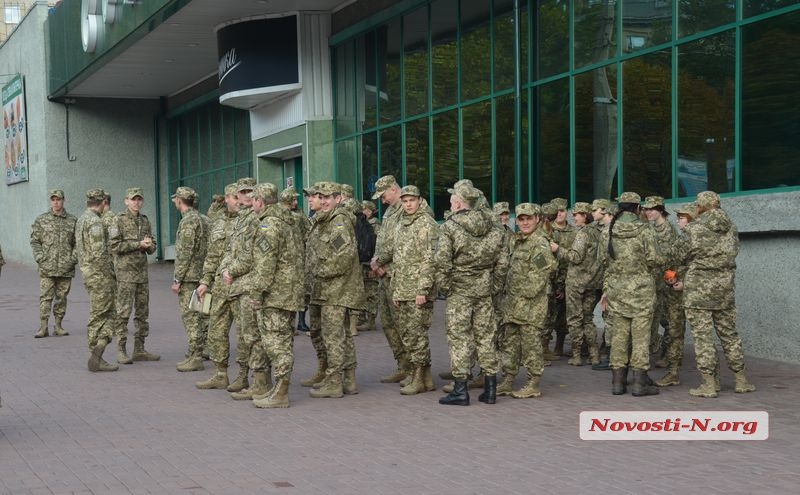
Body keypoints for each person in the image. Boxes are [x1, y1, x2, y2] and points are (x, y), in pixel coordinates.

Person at [676, 191, 756, 398]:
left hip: (698, 290)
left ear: (701, 207)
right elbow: (733, 251)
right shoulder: (731, 227)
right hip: (724, 288)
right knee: (729, 335)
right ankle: (741, 380)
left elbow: (681, 255)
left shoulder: (694, 228)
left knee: (703, 338)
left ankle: (709, 384)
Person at [435, 182, 508, 406]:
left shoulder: (450, 226)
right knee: (486, 338)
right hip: (484, 290)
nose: (450, 202)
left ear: (458, 202)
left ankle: (460, 390)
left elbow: (442, 261)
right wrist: (494, 286)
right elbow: (503, 263)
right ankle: (491, 389)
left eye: (452, 199)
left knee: (459, 338)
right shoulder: (495, 227)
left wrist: (446, 287)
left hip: (460, 290)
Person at [600, 192, 663, 396]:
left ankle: (617, 384)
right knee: (641, 338)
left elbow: (603, 261)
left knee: (618, 337)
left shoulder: (608, 230)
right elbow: (654, 259)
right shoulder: (646, 229)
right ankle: (638, 384)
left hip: (617, 290)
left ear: (619, 208)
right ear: (638, 208)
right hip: (642, 291)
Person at [307, 181, 366, 398]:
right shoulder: (324, 220)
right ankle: (349, 379)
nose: (322, 201)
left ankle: (334, 382)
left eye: (327, 197)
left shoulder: (338, 221)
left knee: (333, 336)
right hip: (329, 289)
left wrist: (319, 271)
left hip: (337, 290)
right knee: (342, 336)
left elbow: (344, 257)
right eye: (319, 197)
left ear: (338, 199)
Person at [249, 183, 305, 408]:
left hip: (276, 295)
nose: (252, 204)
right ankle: (278, 388)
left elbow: (265, 265)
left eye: (253, 200)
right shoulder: (288, 220)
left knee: (275, 342)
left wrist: (256, 292)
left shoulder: (269, 225)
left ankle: (281, 393)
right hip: (290, 292)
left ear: (260, 201)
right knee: (284, 340)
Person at [498, 203, 557, 398]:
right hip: (513, 304)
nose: (524, 222)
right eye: (521, 219)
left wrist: (520, 296)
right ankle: (508, 380)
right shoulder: (518, 240)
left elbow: (539, 277)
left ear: (537, 219)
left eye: (529, 219)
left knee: (531, 345)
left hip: (530, 306)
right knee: (510, 344)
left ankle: (533, 383)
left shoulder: (539, 243)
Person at [220, 178, 270, 399]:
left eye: (251, 191)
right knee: (244, 335)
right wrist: (224, 268)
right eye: (243, 192)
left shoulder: (256, 220)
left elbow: (250, 257)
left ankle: (260, 383)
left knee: (254, 336)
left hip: (250, 285)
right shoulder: (241, 219)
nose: (247, 195)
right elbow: (230, 250)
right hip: (238, 286)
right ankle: (245, 376)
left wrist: (231, 271)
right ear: (237, 195)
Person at [387, 185, 439, 395]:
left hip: (418, 289)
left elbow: (430, 260)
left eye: (411, 200)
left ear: (419, 200)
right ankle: (424, 377)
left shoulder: (427, 224)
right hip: (403, 288)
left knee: (417, 334)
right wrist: (395, 290)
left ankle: (419, 376)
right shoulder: (401, 224)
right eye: (405, 201)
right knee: (407, 334)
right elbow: (397, 260)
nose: (408, 204)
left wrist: (423, 289)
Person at [195, 183, 240, 389]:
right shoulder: (218, 222)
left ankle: (246, 375)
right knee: (216, 331)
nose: (239, 200)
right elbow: (211, 255)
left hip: (241, 287)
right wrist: (205, 281)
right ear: (227, 198)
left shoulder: (251, 221)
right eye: (235, 197)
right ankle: (221, 373)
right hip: (220, 287)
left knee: (245, 334)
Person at [109, 187, 159, 363]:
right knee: (123, 313)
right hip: (125, 275)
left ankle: (139, 349)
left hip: (142, 275)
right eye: (133, 199)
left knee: (142, 313)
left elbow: (153, 247)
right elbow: (115, 247)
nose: (137, 202)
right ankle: (121, 350)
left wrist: (150, 245)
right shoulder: (119, 220)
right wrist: (138, 244)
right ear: (126, 201)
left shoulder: (145, 221)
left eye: (139, 199)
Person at [550, 202, 603, 367]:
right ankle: (594, 355)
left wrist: (557, 249)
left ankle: (577, 355)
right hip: (592, 282)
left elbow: (575, 257)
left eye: (576, 215)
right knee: (588, 318)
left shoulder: (583, 234)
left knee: (574, 319)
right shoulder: (599, 232)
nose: (574, 217)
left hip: (576, 283)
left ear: (584, 216)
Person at [370, 175, 411, 384]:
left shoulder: (408, 207)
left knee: (404, 324)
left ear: (394, 189)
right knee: (388, 323)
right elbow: (383, 240)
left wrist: (380, 261)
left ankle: (415, 369)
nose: (382, 199)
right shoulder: (389, 211)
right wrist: (376, 263)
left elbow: (401, 242)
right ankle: (403, 365)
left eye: (384, 195)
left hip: (399, 276)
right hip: (384, 275)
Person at [75, 189, 118, 372]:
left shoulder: (81, 219)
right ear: (102, 203)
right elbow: (99, 253)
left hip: (88, 273)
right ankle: (96, 353)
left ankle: (98, 349)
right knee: (103, 314)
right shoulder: (95, 222)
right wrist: (108, 275)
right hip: (100, 275)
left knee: (101, 312)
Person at [654, 203, 694, 387]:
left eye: (682, 218)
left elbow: (699, 267)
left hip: (693, 292)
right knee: (675, 330)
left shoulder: (698, 239)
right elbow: (672, 261)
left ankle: (712, 378)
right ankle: (673, 371)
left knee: (701, 335)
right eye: (678, 218)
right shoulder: (681, 238)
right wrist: (670, 275)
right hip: (675, 292)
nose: (679, 221)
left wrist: (684, 280)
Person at [30, 189, 78, 338]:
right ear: (50, 201)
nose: (56, 202)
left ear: (64, 200)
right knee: (45, 297)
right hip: (47, 267)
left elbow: (78, 243)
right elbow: (35, 241)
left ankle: (58, 326)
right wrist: (40, 257)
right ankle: (43, 327)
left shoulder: (73, 220)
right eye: (53, 199)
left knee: (62, 298)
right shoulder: (42, 220)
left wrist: (72, 259)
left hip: (65, 267)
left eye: (58, 199)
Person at [171, 186, 209, 371]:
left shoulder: (188, 222)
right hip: (204, 276)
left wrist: (177, 279)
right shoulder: (205, 219)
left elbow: (185, 252)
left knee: (191, 316)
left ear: (179, 201)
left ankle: (196, 356)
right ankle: (203, 350)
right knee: (203, 314)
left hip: (190, 277)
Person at [549, 197, 575, 357]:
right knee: (546, 316)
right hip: (549, 279)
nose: (560, 214)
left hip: (567, 279)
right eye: (557, 211)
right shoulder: (547, 230)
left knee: (563, 316)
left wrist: (564, 285)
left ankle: (559, 345)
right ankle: (543, 347)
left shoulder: (575, 232)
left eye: (563, 211)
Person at [356, 200, 381, 332]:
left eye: (363, 209)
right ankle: (361, 317)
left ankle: (370, 320)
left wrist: (375, 265)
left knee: (371, 292)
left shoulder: (375, 225)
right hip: (362, 264)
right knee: (361, 292)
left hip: (370, 264)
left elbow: (377, 246)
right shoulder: (361, 224)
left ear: (369, 211)